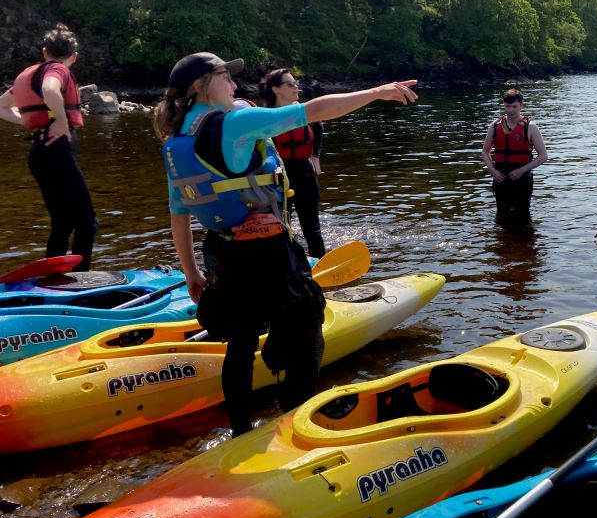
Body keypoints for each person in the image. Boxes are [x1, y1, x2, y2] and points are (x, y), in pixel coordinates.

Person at [154, 52, 417, 435]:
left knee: (240, 345)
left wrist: (192, 273)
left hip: (223, 255)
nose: (233, 84)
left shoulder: (175, 142)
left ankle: (241, 431)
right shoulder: (235, 124)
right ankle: (298, 423)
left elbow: (178, 216)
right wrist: (377, 91)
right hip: (270, 255)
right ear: (201, 87)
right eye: (225, 77)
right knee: (309, 327)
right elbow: (310, 111)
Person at [0, 24, 97, 270]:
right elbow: (49, 89)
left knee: (63, 222)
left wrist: (29, 122)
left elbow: (1, 105)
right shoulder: (57, 69)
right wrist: (62, 121)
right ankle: (80, 282)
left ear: (45, 52)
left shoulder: (28, 74)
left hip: (39, 154)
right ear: (73, 56)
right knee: (86, 221)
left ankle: (53, 278)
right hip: (57, 153)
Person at [260, 69, 326, 258]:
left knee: (312, 228)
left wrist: (315, 155)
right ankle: (288, 268)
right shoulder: (265, 116)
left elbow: (318, 126)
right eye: (290, 84)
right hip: (277, 177)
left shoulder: (304, 112)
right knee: (280, 227)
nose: (296, 87)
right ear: (275, 89)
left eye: (296, 83)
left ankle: (320, 271)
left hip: (305, 173)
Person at [481, 89, 548, 224]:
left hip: (522, 179)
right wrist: (493, 171)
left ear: (521, 105)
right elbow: (485, 152)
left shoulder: (530, 127)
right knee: (501, 217)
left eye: (514, 106)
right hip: (501, 179)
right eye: (507, 106)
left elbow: (543, 156)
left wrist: (522, 170)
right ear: (504, 105)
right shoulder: (494, 126)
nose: (510, 110)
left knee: (523, 217)